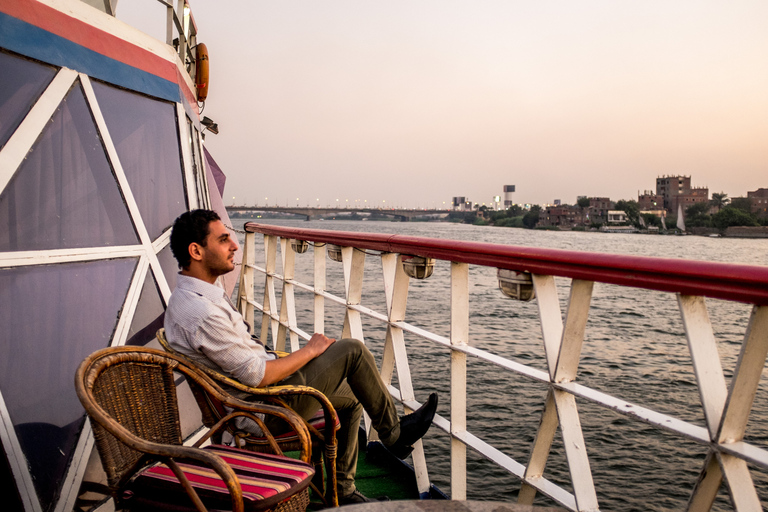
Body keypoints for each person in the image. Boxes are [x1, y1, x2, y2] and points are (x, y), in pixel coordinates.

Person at [164, 209, 438, 505]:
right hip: (261, 411)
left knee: (354, 393)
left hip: (256, 396)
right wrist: (310, 350)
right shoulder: (200, 313)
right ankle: (395, 436)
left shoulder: (194, 297)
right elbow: (259, 375)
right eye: (224, 240)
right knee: (352, 351)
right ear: (196, 251)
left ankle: (341, 490)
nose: (235, 246)